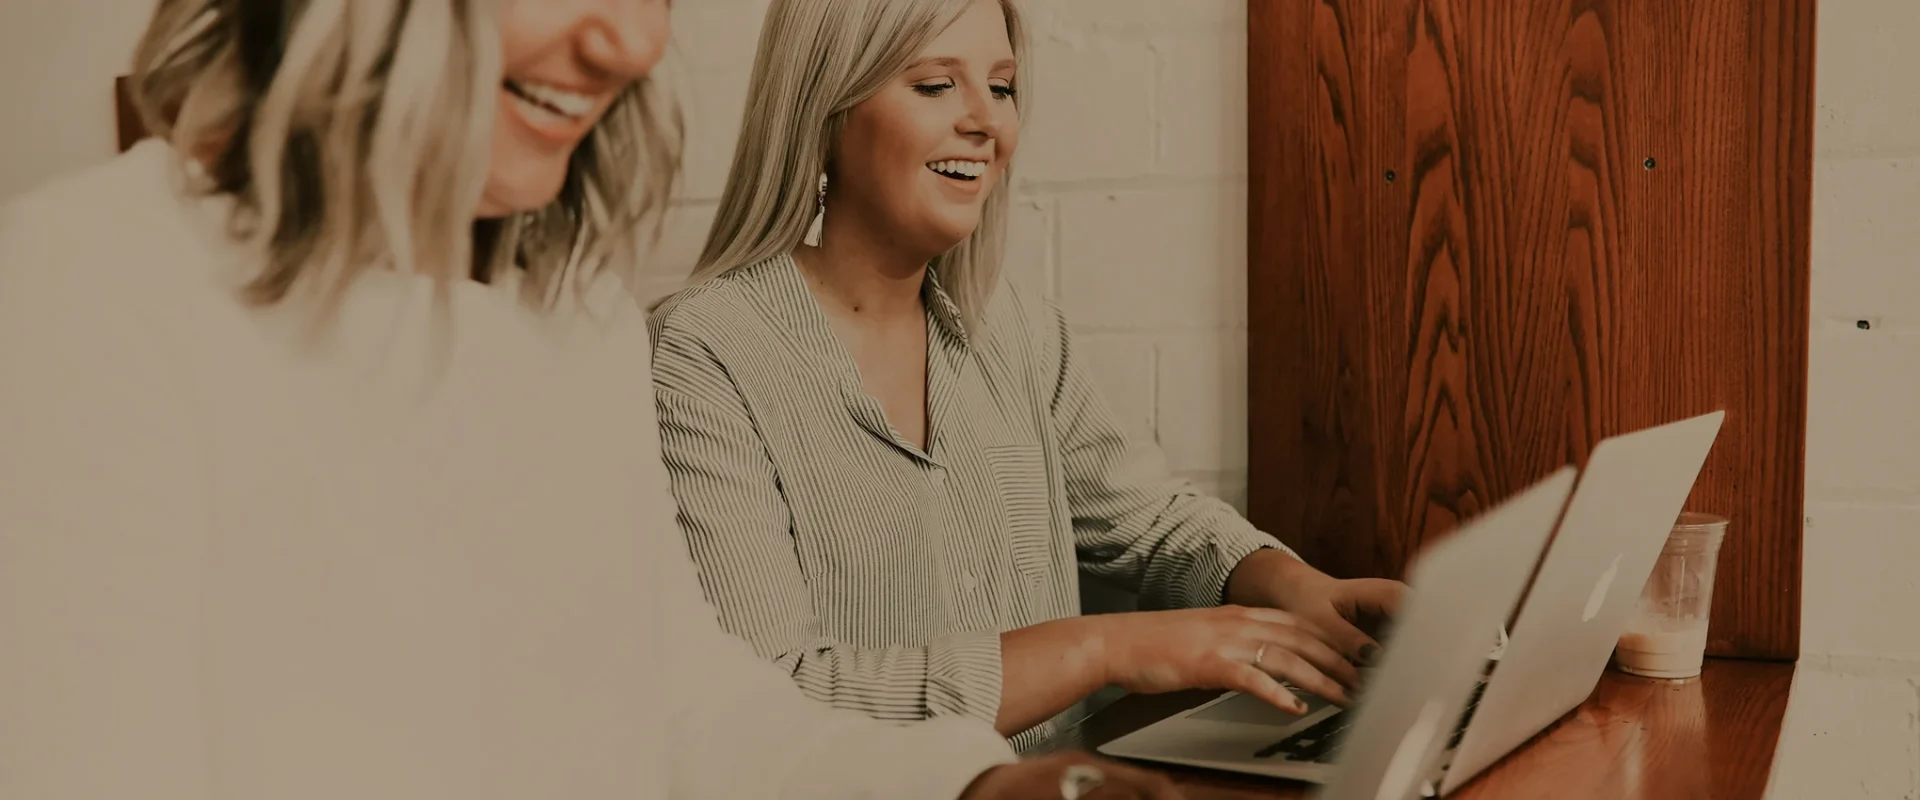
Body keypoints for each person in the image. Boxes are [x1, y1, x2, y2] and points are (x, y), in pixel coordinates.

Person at [0, 0, 1179, 796]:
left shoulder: (567, 312)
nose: (624, 41)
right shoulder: (88, 288)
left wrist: (972, 782)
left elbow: (693, 707)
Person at [647, 0, 1409, 753]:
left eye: (1002, 86)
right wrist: (1104, 651)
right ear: (826, 110)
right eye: (936, 84)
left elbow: (1150, 522)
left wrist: (1304, 591)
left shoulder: (1014, 330)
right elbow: (778, 694)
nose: (989, 121)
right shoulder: (703, 353)